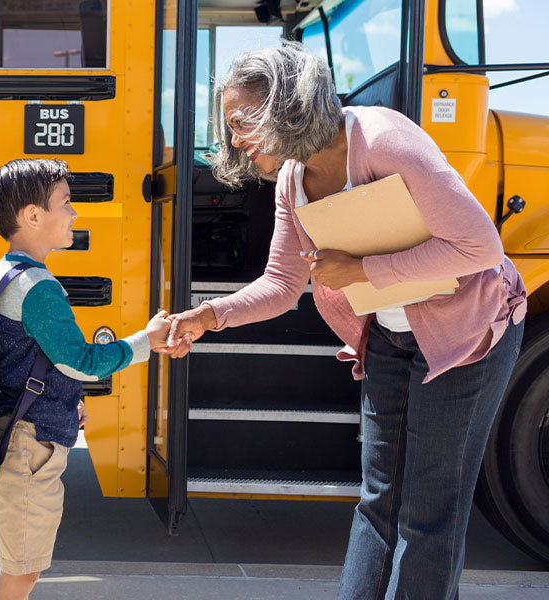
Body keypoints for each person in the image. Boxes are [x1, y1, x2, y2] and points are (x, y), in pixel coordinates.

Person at [164, 43, 527, 600]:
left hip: (467, 333)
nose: (234, 140)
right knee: (378, 500)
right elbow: (282, 284)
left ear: (287, 103)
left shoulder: (384, 140)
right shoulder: (293, 179)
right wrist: (209, 315)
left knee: (429, 511)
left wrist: (360, 270)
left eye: (242, 122)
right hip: (389, 335)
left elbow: (479, 247)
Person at [0, 159, 170, 600]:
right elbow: (81, 361)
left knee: (22, 569)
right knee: (21, 573)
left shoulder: (9, 271)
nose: (74, 212)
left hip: (23, 435)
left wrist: (67, 398)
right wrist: (146, 341)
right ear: (33, 215)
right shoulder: (37, 287)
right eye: (65, 202)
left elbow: (26, 357)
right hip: (29, 446)